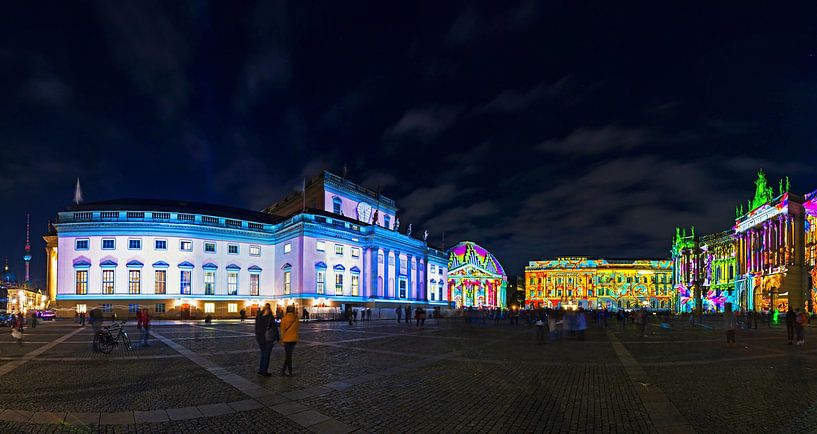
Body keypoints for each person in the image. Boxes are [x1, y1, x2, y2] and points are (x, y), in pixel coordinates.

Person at [254, 303, 276, 377]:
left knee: (263, 353)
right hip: (268, 338)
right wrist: (277, 338)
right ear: (269, 309)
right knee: (266, 355)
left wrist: (257, 336)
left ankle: (261, 369)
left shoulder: (259, 316)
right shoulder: (270, 317)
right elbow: (274, 328)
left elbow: (256, 328)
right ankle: (264, 371)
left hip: (260, 338)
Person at [280, 305, 299, 376]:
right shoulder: (296, 319)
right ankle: (283, 370)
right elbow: (297, 328)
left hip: (286, 339)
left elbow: (282, 331)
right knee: (288, 355)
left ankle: (289, 371)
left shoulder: (284, 319)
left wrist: (282, 340)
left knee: (288, 356)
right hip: (294, 339)